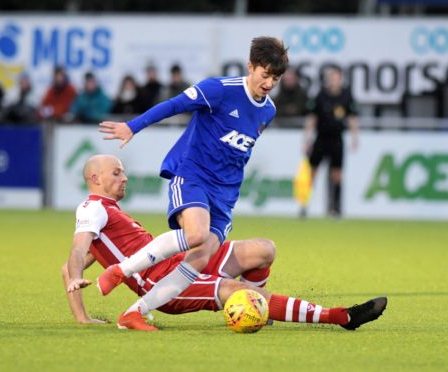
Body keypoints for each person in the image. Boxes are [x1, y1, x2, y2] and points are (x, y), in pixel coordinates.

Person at [96, 36, 303, 328]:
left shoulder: (268, 111)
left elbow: (237, 152)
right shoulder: (218, 89)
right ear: (251, 66)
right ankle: (121, 270)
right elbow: (174, 105)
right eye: (265, 75)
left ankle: (134, 313)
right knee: (195, 233)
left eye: (276, 78)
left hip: (225, 195)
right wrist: (133, 126)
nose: (269, 83)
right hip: (193, 175)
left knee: (198, 259)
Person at [62, 154, 387, 331]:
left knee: (263, 250)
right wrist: (78, 289)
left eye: (123, 172)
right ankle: (341, 317)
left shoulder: (111, 214)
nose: (124, 177)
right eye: (117, 172)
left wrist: (77, 290)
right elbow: (76, 254)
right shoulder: (92, 209)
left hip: (184, 259)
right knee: (247, 293)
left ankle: (260, 313)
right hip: (164, 284)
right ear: (96, 179)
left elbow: (72, 265)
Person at [303, 65, 359, 217]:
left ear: (340, 79)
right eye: (331, 78)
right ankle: (305, 205)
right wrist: (307, 139)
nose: (333, 81)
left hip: (337, 139)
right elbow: (312, 118)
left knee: (337, 174)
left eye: (336, 77)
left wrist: (355, 138)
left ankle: (336, 208)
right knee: (312, 173)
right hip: (321, 139)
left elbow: (352, 118)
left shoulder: (346, 96)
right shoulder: (320, 95)